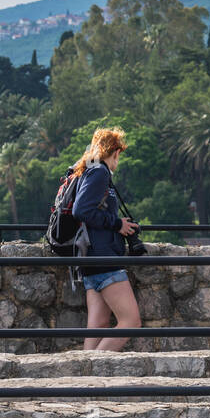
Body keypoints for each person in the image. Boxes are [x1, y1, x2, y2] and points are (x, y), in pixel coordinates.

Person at [71, 126, 142, 352]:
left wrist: (117, 222)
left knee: (98, 326)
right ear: (114, 152)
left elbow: (89, 210)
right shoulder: (100, 172)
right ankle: (93, 374)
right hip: (105, 259)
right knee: (131, 322)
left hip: (91, 259)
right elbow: (81, 210)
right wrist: (117, 224)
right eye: (118, 155)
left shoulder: (88, 170)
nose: (118, 161)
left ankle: (84, 382)